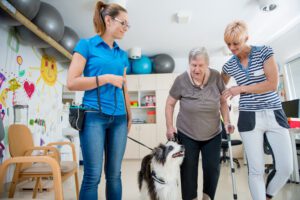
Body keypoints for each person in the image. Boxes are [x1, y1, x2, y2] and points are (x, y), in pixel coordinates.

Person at [221, 20, 293, 200]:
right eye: (228, 44)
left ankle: (268, 194)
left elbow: (271, 84)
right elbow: (220, 93)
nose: (231, 48)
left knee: (286, 168)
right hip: (248, 117)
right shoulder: (229, 66)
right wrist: (227, 119)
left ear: (246, 38)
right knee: (255, 170)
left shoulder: (264, 52)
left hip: (274, 113)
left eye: (235, 43)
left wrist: (241, 89)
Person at [67, 1, 131, 199]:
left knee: (114, 175)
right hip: (94, 116)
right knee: (92, 175)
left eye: (128, 25)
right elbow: (72, 82)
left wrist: (129, 115)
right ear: (108, 20)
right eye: (123, 23)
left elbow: (124, 86)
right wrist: (105, 79)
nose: (125, 28)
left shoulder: (122, 55)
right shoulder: (86, 45)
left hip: (119, 119)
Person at [165, 47, 234, 200]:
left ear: (207, 64)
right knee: (188, 170)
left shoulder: (216, 77)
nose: (196, 69)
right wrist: (170, 126)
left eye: (200, 65)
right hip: (187, 133)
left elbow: (223, 102)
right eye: (193, 65)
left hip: (213, 133)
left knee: (212, 169)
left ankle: (207, 198)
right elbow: (169, 104)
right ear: (189, 64)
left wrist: (227, 122)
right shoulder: (181, 80)